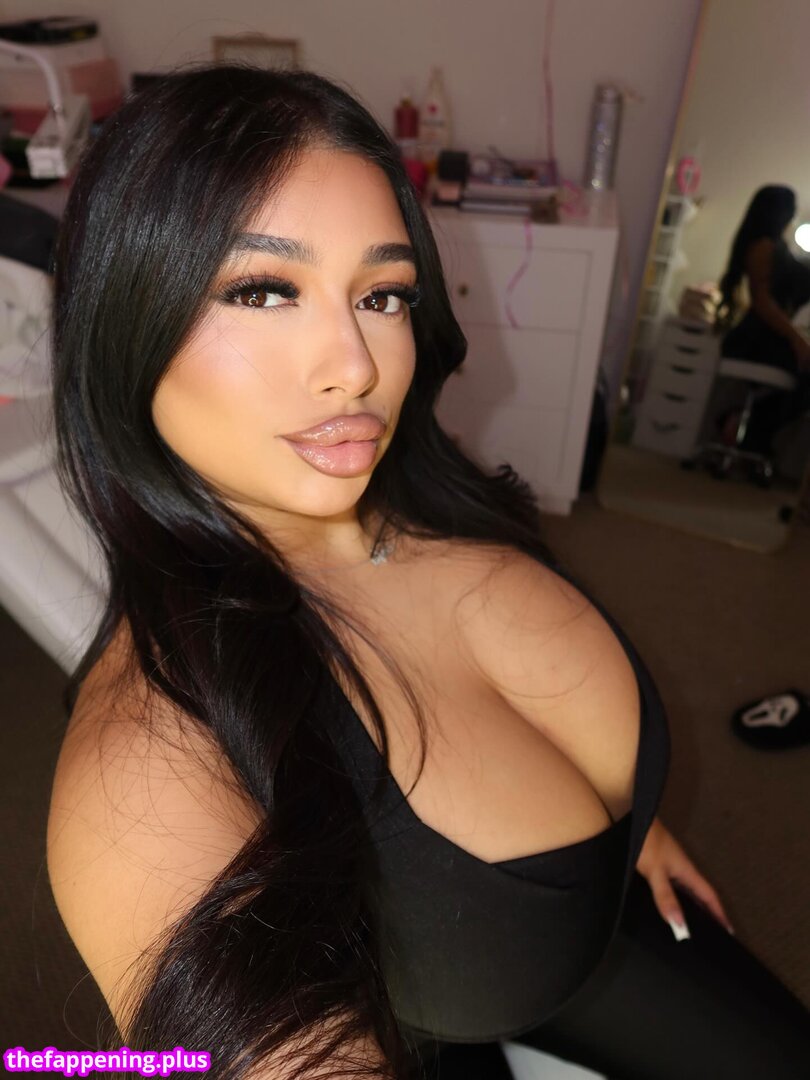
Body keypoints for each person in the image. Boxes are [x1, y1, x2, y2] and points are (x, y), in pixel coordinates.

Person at [44, 66, 810, 1080]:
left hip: (613, 914)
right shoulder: (143, 769)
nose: (356, 366)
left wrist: (629, 821)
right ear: (124, 321)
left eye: (382, 295)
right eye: (263, 290)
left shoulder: (409, 485)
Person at [715, 184, 810, 459]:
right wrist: (796, 339)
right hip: (755, 338)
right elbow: (762, 302)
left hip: (767, 336)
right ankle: (746, 429)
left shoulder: (778, 247)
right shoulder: (763, 247)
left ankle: (746, 428)